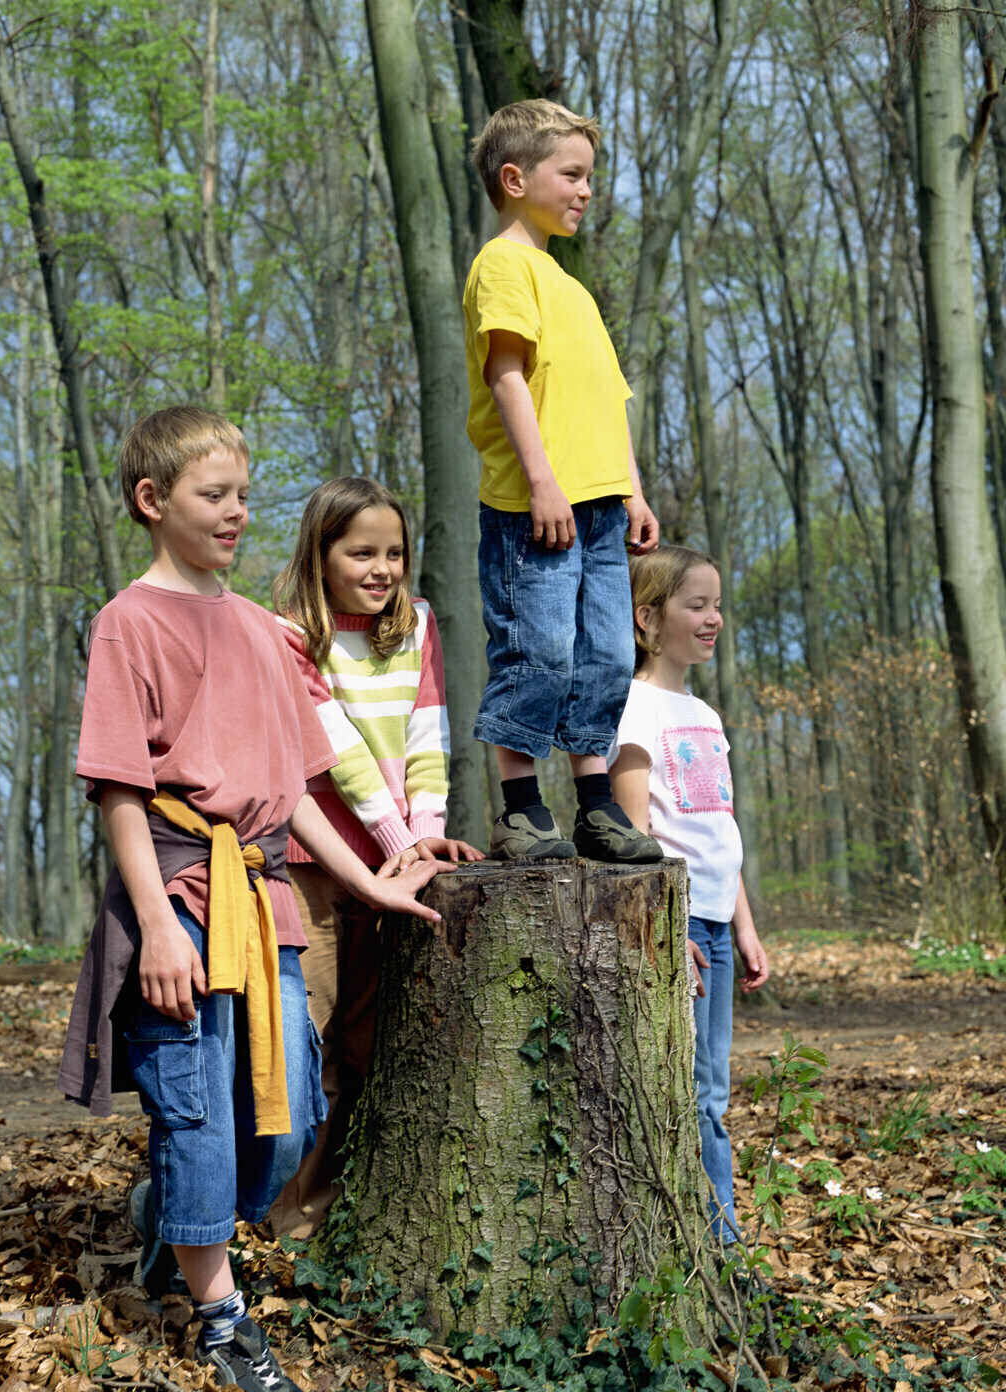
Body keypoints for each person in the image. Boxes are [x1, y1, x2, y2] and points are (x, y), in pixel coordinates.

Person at [57, 409, 451, 1392]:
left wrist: (368, 883)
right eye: (213, 495)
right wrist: (152, 924)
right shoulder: (129, 621)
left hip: (264, 897)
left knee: (285, 1129)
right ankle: (223, 1319)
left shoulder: (266, 637)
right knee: (194, 1110)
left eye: (242, 494)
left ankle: (175, 1232)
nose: (236, 513)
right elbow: (120, 792)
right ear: (154, 503)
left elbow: (303, 794)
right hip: (183, 896)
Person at [264, 477, 483, 1240]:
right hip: (313, 863)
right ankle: (272, 1203)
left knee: (366, 1040)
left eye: (394, 551)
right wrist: (400, 847)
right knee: (308, 1037)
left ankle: (321, 1203)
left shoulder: (416, 624)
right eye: (361, 552)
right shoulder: (288, 634)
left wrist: (427, 833)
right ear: (320, 554)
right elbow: (338, 757)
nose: (381, 567)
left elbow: (429, 734)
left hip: (395, 864)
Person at [463, 98, 664, 864]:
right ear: (515, 178)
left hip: (603, 507)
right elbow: (507, 375)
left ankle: (594, 805)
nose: (586, 189)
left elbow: (608, 401)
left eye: (591, 176)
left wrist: (632, 490)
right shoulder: (503, 266)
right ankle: (520, 809)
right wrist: (543, 482)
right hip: (534, 505)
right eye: (570, 174)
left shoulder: (573, 288)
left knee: (607, 655)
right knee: (537, 650)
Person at [608, 544, 770, 1243]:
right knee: (690, 1089)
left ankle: (715, 1231)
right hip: (677, 929)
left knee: (714, 1089)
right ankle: (716, 1241)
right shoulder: (634, 708)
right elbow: (635, 837)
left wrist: (746, 925)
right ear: (648, 617)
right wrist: (669, 930)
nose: (714, 619)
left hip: (715, 923)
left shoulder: (702, 712)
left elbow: (718, 832)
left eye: (716, 605)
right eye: (695, 605)